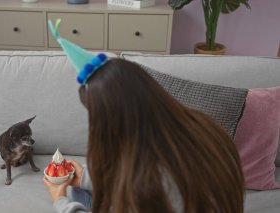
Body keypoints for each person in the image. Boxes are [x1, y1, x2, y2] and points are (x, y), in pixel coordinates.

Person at [43, 19, 244, 213]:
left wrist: (60, 202)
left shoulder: (148, 181)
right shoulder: (204, 126)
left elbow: (149, 186)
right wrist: (87, 177)